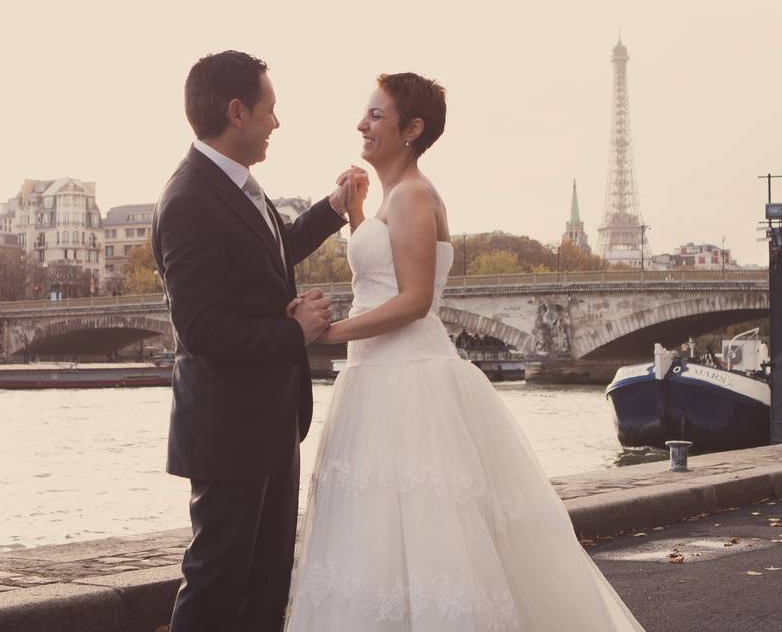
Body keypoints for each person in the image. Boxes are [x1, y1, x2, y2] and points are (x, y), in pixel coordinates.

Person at [285, 73, 645, 631]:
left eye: (376, 116)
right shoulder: (395, 200)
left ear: (413, 129)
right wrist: (355, 212)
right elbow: (381, 272)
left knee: (404, 534)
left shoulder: (414, 196)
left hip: (404, 380)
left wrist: (330, 334)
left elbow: (413, 301)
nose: (362, 124)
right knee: (387, 534)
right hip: (380, 375)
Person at [151, 50, 366, 632]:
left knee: (265, 587)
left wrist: (332, 209)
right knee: (218, 583)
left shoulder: (235, 185)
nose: (278, 122)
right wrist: (293, 331)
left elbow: (271, 256)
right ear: (238, 112)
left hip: (265, 422)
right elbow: (201, 329)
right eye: (271, 110)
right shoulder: (189, 199)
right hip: (228, 429)